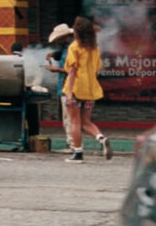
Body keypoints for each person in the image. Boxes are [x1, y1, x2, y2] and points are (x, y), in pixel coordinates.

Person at [63, 16, 111, 163]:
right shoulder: (95, 47)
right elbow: (97, 68)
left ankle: (78, 154)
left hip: (76, 89)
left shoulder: (74, 47)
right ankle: (101, 139)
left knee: (75, 122)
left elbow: (72, 71)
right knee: (86, 121)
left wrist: (70, 92)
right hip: (90, 90)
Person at [45, 23, 75, 151]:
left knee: (69, 118)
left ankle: (72, 144)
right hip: (66, 87)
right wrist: (53, 54)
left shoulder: (72, 48)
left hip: (69, 87)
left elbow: (72, 69)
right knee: (70, 118)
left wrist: (56, 69)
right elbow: (62, 55)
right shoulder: (67, 47)